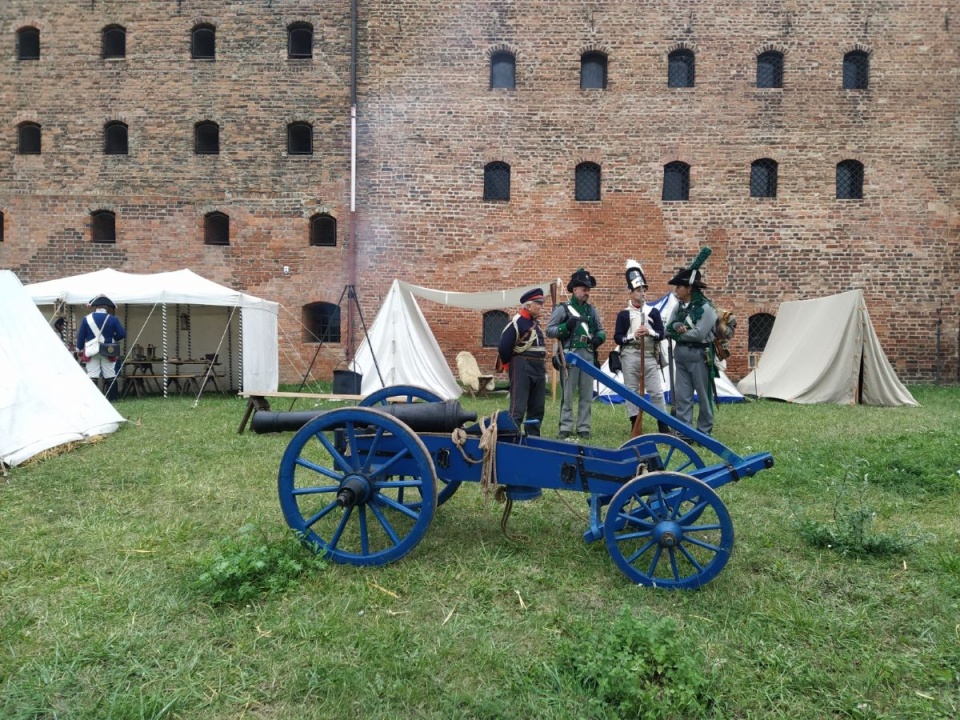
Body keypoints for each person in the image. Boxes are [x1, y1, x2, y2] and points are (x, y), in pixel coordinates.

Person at [546, 268, 605, 441]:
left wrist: (598, 340)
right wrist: (565, 327)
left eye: (588, 290)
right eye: (584, 290)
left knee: (586, 395)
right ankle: (565, 426)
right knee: (568, 395)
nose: (587, 293)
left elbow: (601, 330)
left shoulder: (591, 311)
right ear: (575, 289)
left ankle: (583, 427)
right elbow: (549, 330)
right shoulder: (562, 309)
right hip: (569, 355)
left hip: (587, 355)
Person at [665, 247, 718, 436]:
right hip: (681, 356)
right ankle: (684, 433)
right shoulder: (678, 306)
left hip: (700, 356)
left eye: (679, 286)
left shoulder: (707, 308)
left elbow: (698, 334)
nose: (676, 289)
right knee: (683, 397)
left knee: (704, 397)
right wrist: (677, 326)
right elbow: (667, 328)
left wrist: (677, 334)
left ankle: (704, 432)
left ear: (689, 288)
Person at [613, 260, 669, 435]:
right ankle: (635, 424)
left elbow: (662, 334)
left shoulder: (653, 312)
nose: (642, 293)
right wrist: (633, 336)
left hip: (649, 354)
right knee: (632, 391)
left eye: (643, 289)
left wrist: (650, 332)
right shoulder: (623, 314)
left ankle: (663, 425)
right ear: (631, 292)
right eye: (638, 290)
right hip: (630, 354)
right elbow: (618, 337)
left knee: (656, 392)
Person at [497, 288, 547, 436]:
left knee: (537, 407)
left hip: (538, 367)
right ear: (528, 306)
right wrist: (508, 366)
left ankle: (533, 437)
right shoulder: (517, 322)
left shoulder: (534, 323)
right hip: (522, 366)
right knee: (518, 407)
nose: (540, 306)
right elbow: (504, 347)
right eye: (538, 303)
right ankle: (511, 436)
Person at [77, 294, 126, 401]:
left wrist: (79, 348)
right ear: (107, 307)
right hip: (108, 350)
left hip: (91, 350)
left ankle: (93, 399)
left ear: (95, 307)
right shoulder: (113, 319)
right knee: (110, 374)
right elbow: (122, 334)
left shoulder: (86, 319)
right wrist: (113, 337)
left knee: (92, 375)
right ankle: (113, 399)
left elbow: (81, 336)